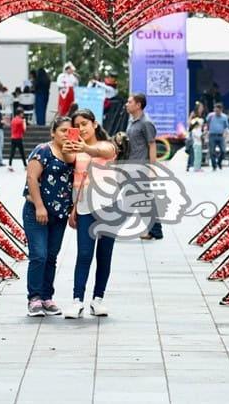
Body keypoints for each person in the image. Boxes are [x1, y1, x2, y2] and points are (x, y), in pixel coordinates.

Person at [62, 109, 117, 319]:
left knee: (104, 255)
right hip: (84, 207)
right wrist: (66, 146)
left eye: (85, 123)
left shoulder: (106, 144)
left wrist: (85, 147)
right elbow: (73, 170)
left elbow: (104, 152)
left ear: (94, 124)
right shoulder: (77, 150)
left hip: (109, 206)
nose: (82, 128)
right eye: (78, 125)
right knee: (84, 254)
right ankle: (77, 300)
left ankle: (98, 299)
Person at [22, 116, 75, 316]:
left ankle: (46, 297)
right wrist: (39, 207)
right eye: (62, 130)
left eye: (70, 131)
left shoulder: (72, 154)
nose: (66, 134)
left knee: (51, 256)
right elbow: (32, 178)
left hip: (59, 214)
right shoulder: (43, 150)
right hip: (37, 212)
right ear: (53, 132)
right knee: (39, 255)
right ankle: (34, 298)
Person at [125, 93, 163, 240]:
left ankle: (154, 230)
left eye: (129, 102)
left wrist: (153, 168)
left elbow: (152, 144)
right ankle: (155, 230)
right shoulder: (132, 121)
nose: (126, 104)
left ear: (138, 105)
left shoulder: (146, 122)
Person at [205, 103, 229, 170]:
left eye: (218, 110)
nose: (216, 112)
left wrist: (225, 134)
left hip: (220, 136)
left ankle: (219, 162)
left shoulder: (224, 117)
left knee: (223, 151)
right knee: (212, 151)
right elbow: (206, 124)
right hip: (212, 135)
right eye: (215, 110)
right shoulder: (210, 116)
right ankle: (214, 166)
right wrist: (206, 132)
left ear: (221, 110)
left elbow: (226, 127)